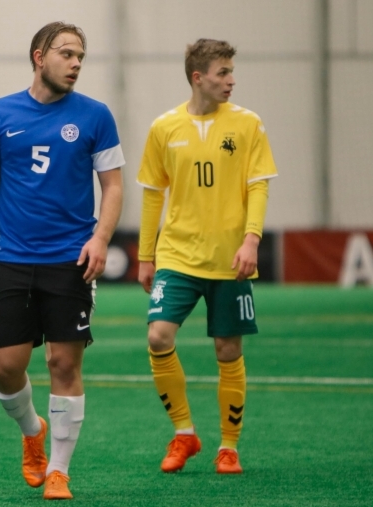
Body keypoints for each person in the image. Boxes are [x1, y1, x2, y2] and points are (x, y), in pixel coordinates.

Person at [0, 22, 124, 500]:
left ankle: (60, 471)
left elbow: (113, 186)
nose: (76, 64)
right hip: (14, 260)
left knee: (64, 363)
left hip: (71, 260)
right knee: (5, 366)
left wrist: (101, 238)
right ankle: (32, 431)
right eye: (67, 54)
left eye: (81, 56)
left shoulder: (96, 116)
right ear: (38, 56)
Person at [136, 39, 278, 475]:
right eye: (222, 72)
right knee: (159, 336)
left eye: (231, 71)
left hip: (228, 258)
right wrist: (145, 254)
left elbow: (258, 184)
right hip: (177, 255)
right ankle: (184, 433)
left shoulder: (249, 124)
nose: (231, 80)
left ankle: (228, 446)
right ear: (198, 77)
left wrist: (251, 239)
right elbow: (152, 194)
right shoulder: (164, 127)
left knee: (227, 349)